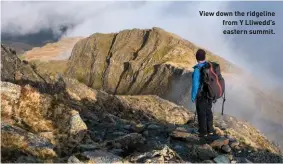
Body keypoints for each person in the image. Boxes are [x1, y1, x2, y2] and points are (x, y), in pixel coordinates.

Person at [191, 49, 216, 138]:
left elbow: (195, 84)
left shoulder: (197, 69)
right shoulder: (209, 66)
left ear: (197, 58)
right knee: (208, 111)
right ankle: (210, 130)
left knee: (201, 112)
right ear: (204, 57)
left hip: (201, 94)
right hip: (210, 93)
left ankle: (203, 132)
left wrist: (193, 97)